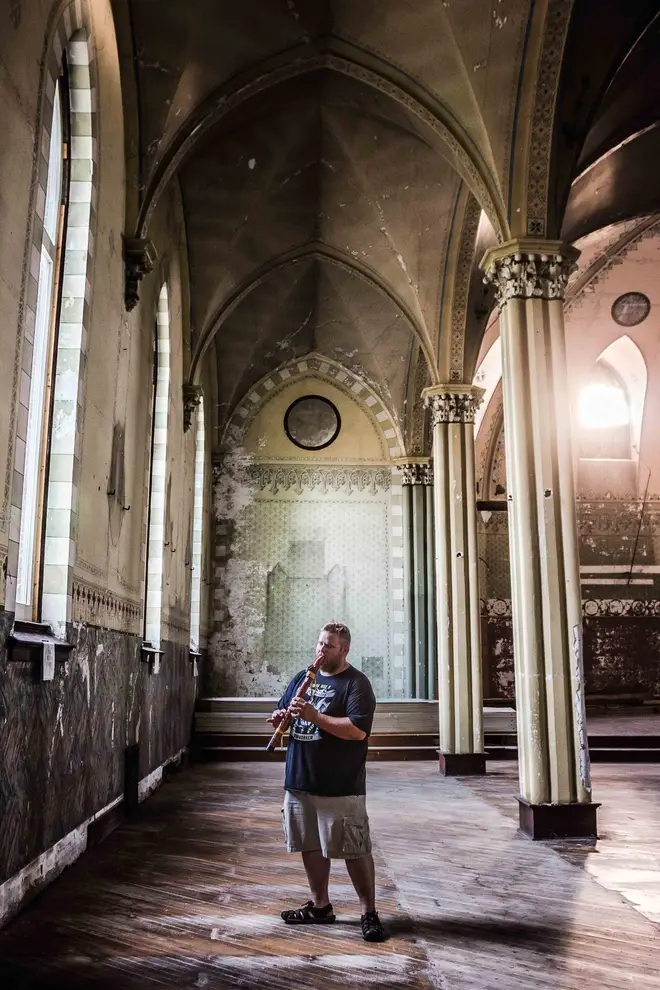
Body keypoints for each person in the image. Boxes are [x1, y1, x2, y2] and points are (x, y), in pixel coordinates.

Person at [268, 621, 385, 942]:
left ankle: (368, 912)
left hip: (339, 784)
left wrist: (315, 717)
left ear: (344, 650)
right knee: (309, 845)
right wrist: (281, 719)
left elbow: (357, 730)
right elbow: (285, 712)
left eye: (328, 646)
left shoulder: (356, 684)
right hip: (299, 779)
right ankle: (320, 906)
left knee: (353, 848)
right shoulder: (303, 677)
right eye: (319, 644)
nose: (321, 651)